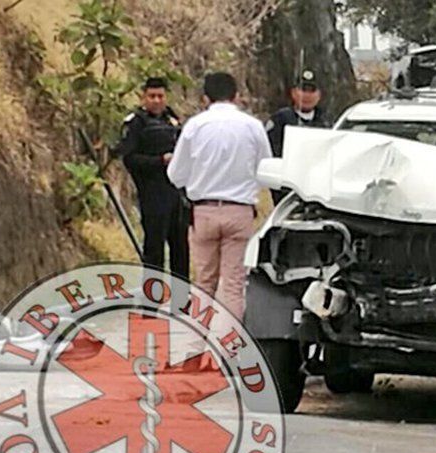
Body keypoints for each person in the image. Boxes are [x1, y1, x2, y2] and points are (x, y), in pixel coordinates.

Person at [167, 72, 271, 321]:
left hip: (204, 211)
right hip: (240, 211)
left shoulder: (194, 126)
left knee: (204, 282)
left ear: (205, 98)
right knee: (234, 285)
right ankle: (233, 348)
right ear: (236, 96)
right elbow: (267, 170)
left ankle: (197, 346)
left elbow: (175, 175)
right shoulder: (252, 126)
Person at [117, 77, 190, 278]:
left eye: (160, 96)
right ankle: (152, 303)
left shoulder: (173, 120)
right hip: (152, 195)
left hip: (177, 196)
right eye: (152, 96)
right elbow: (130, 159)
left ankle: (181, 303)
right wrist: (160, 161)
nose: (156, 100)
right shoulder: (136, 123)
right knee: (154, 254)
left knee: (181, 251)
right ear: (143, 97)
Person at [265, 69, 330, 204]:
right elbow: (271, 153)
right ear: (293, 92)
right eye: (303, 90)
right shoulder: (281, 120)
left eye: (311, 91)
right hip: (287, 190)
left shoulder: (327, 122)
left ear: (319, 95)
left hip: (319, 192)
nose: (307, 95)